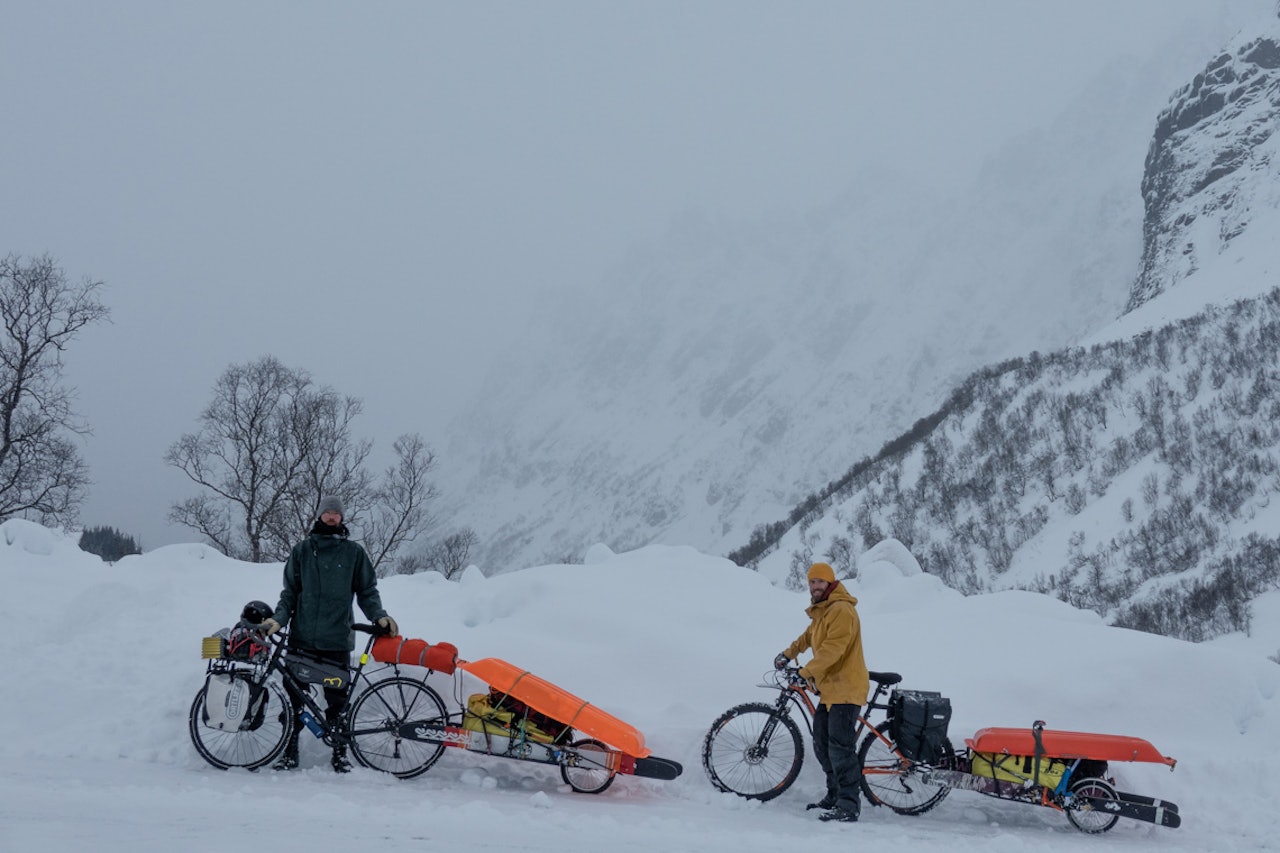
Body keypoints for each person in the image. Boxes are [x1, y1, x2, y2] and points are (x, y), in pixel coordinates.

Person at [261, 495, 399, 772]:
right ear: (320, 515)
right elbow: (290, 594)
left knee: (338, 701)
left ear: (342, 517)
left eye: (337, 512)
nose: (332, 516)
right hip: (302, 638)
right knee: (294, 700)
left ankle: (340, 753)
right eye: (328, 512)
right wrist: (278, 619)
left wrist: (379, 615)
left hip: (337, 639)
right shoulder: (302, 551)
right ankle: (290, 752)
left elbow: (367, 591)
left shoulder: (353, 553)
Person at [773, 561, 870, 823]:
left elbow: (832, 650)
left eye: (819, 581)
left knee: (840, 748)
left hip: (846, 688)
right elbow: (807, 638)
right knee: (822, 744)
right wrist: (787, 654)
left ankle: (849, 805)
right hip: (830, 690)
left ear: (830, 582)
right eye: (812, 582)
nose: (815, 586)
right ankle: (834, 795)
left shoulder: (841, 610)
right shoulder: (823, 610)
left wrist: (805, 672)